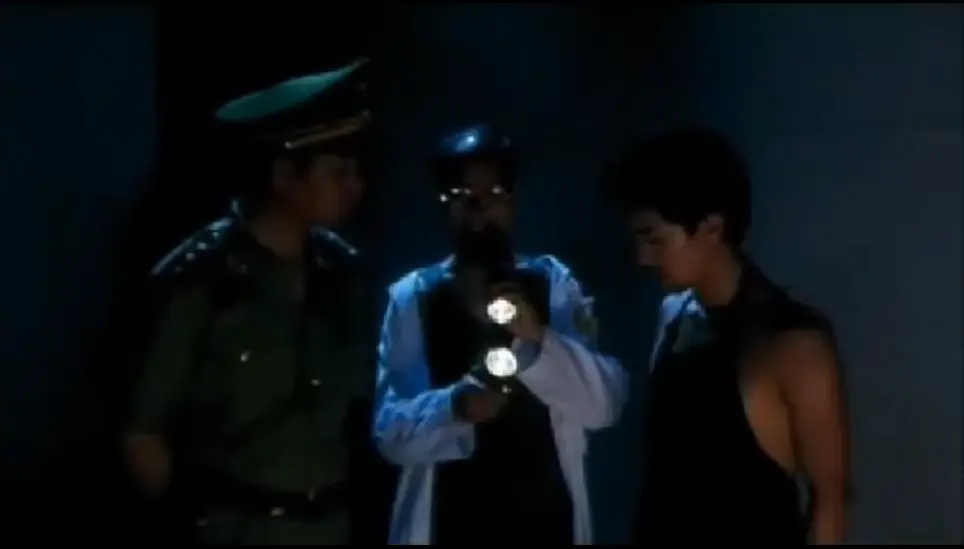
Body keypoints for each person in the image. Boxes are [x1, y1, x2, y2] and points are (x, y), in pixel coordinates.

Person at [123, 59, 377, 545]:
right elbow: (144, 433)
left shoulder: (343, 273)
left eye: (356, 171)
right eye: (338, 172)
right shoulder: (201, 279)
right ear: (285, 175)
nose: (355, 186)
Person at [372, 124, 629, 545]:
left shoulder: (554, 283)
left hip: (546, 522)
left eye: (493, 194)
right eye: (462, 196)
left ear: (513, 200)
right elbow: (389, 434)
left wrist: (537, 336)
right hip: (448, 524)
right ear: (443, 204)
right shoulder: (412, 297)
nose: (478, 211)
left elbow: (605, 406)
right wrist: (457, 406)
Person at [604, 128, 851, 544]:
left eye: (655, 239)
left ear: (712, 227)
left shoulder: (792, 342)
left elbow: (830, 500)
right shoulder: (675, 316)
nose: (643, 257)